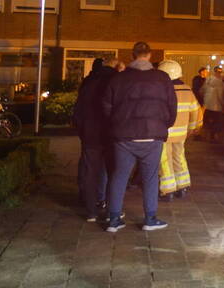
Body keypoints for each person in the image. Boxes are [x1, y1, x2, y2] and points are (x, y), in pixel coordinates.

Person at [101, 41, 176, 232]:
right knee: (150, 177)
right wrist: (162, 126)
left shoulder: (118, 79)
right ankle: (150, 219)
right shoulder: (163, 78)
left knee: (119, 175)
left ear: (133, 56)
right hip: (152, 136)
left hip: (124, 137)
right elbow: (171, 108)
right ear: (149, 56)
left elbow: (106, 107)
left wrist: (117, 124)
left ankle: (114, 219)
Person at [72, 57, 118, 221]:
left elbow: (78, 110)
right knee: (113, 172)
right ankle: (111, 210)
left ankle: (91, 211)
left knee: (90, 172)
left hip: (90, 135)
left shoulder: (89, 82)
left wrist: (83, 131)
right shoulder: (116, 82)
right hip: (110, 136)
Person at [157, 60, 201, 200]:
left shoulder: (162, 90)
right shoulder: (187, 90)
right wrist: (193, 128)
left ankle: (168, 189)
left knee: (164, 160)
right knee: (179, 157)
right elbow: (196, 111)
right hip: (182, 133)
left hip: (165, 132)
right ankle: (182, 186)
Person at [202, 66, 224, 141]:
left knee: (207, 122)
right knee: (216, 122)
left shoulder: (208, 79)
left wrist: (205, 102)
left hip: (208, 105)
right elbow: (221, 95)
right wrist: (223, 105)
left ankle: (206, 136)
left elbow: (203, 91)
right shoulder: (221, 82)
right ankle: (213, 136)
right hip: (217, 106)